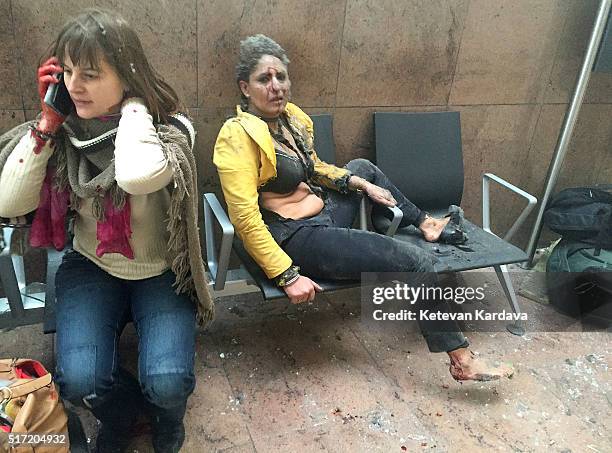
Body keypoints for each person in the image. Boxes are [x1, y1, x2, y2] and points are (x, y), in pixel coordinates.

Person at [213, 34, 513, 383]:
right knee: (417, 262)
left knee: (362, 167)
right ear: (245, 88)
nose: (276, 86)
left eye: (281, 77)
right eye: (264, 79)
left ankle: (424, 223)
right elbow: (244, 218)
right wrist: (287, 275)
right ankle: (461, 359)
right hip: (294, 238)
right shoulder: (236, 136)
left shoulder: (289, 122)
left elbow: (317, 168)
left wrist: (361, 184)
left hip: (319, 213)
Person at [0, 9, 213, 453]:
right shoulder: (67, 132)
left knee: (170, 383)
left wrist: (134, 105)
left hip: (161, 270)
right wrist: (48, 122)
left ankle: (166, 417)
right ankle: (125, 412)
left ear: (129, 75)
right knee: (78, 381)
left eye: (91, 74)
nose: (74, 86)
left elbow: (135, 176)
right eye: (68, 71)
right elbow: (9, 203)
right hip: (91, 264)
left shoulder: (170, 129)